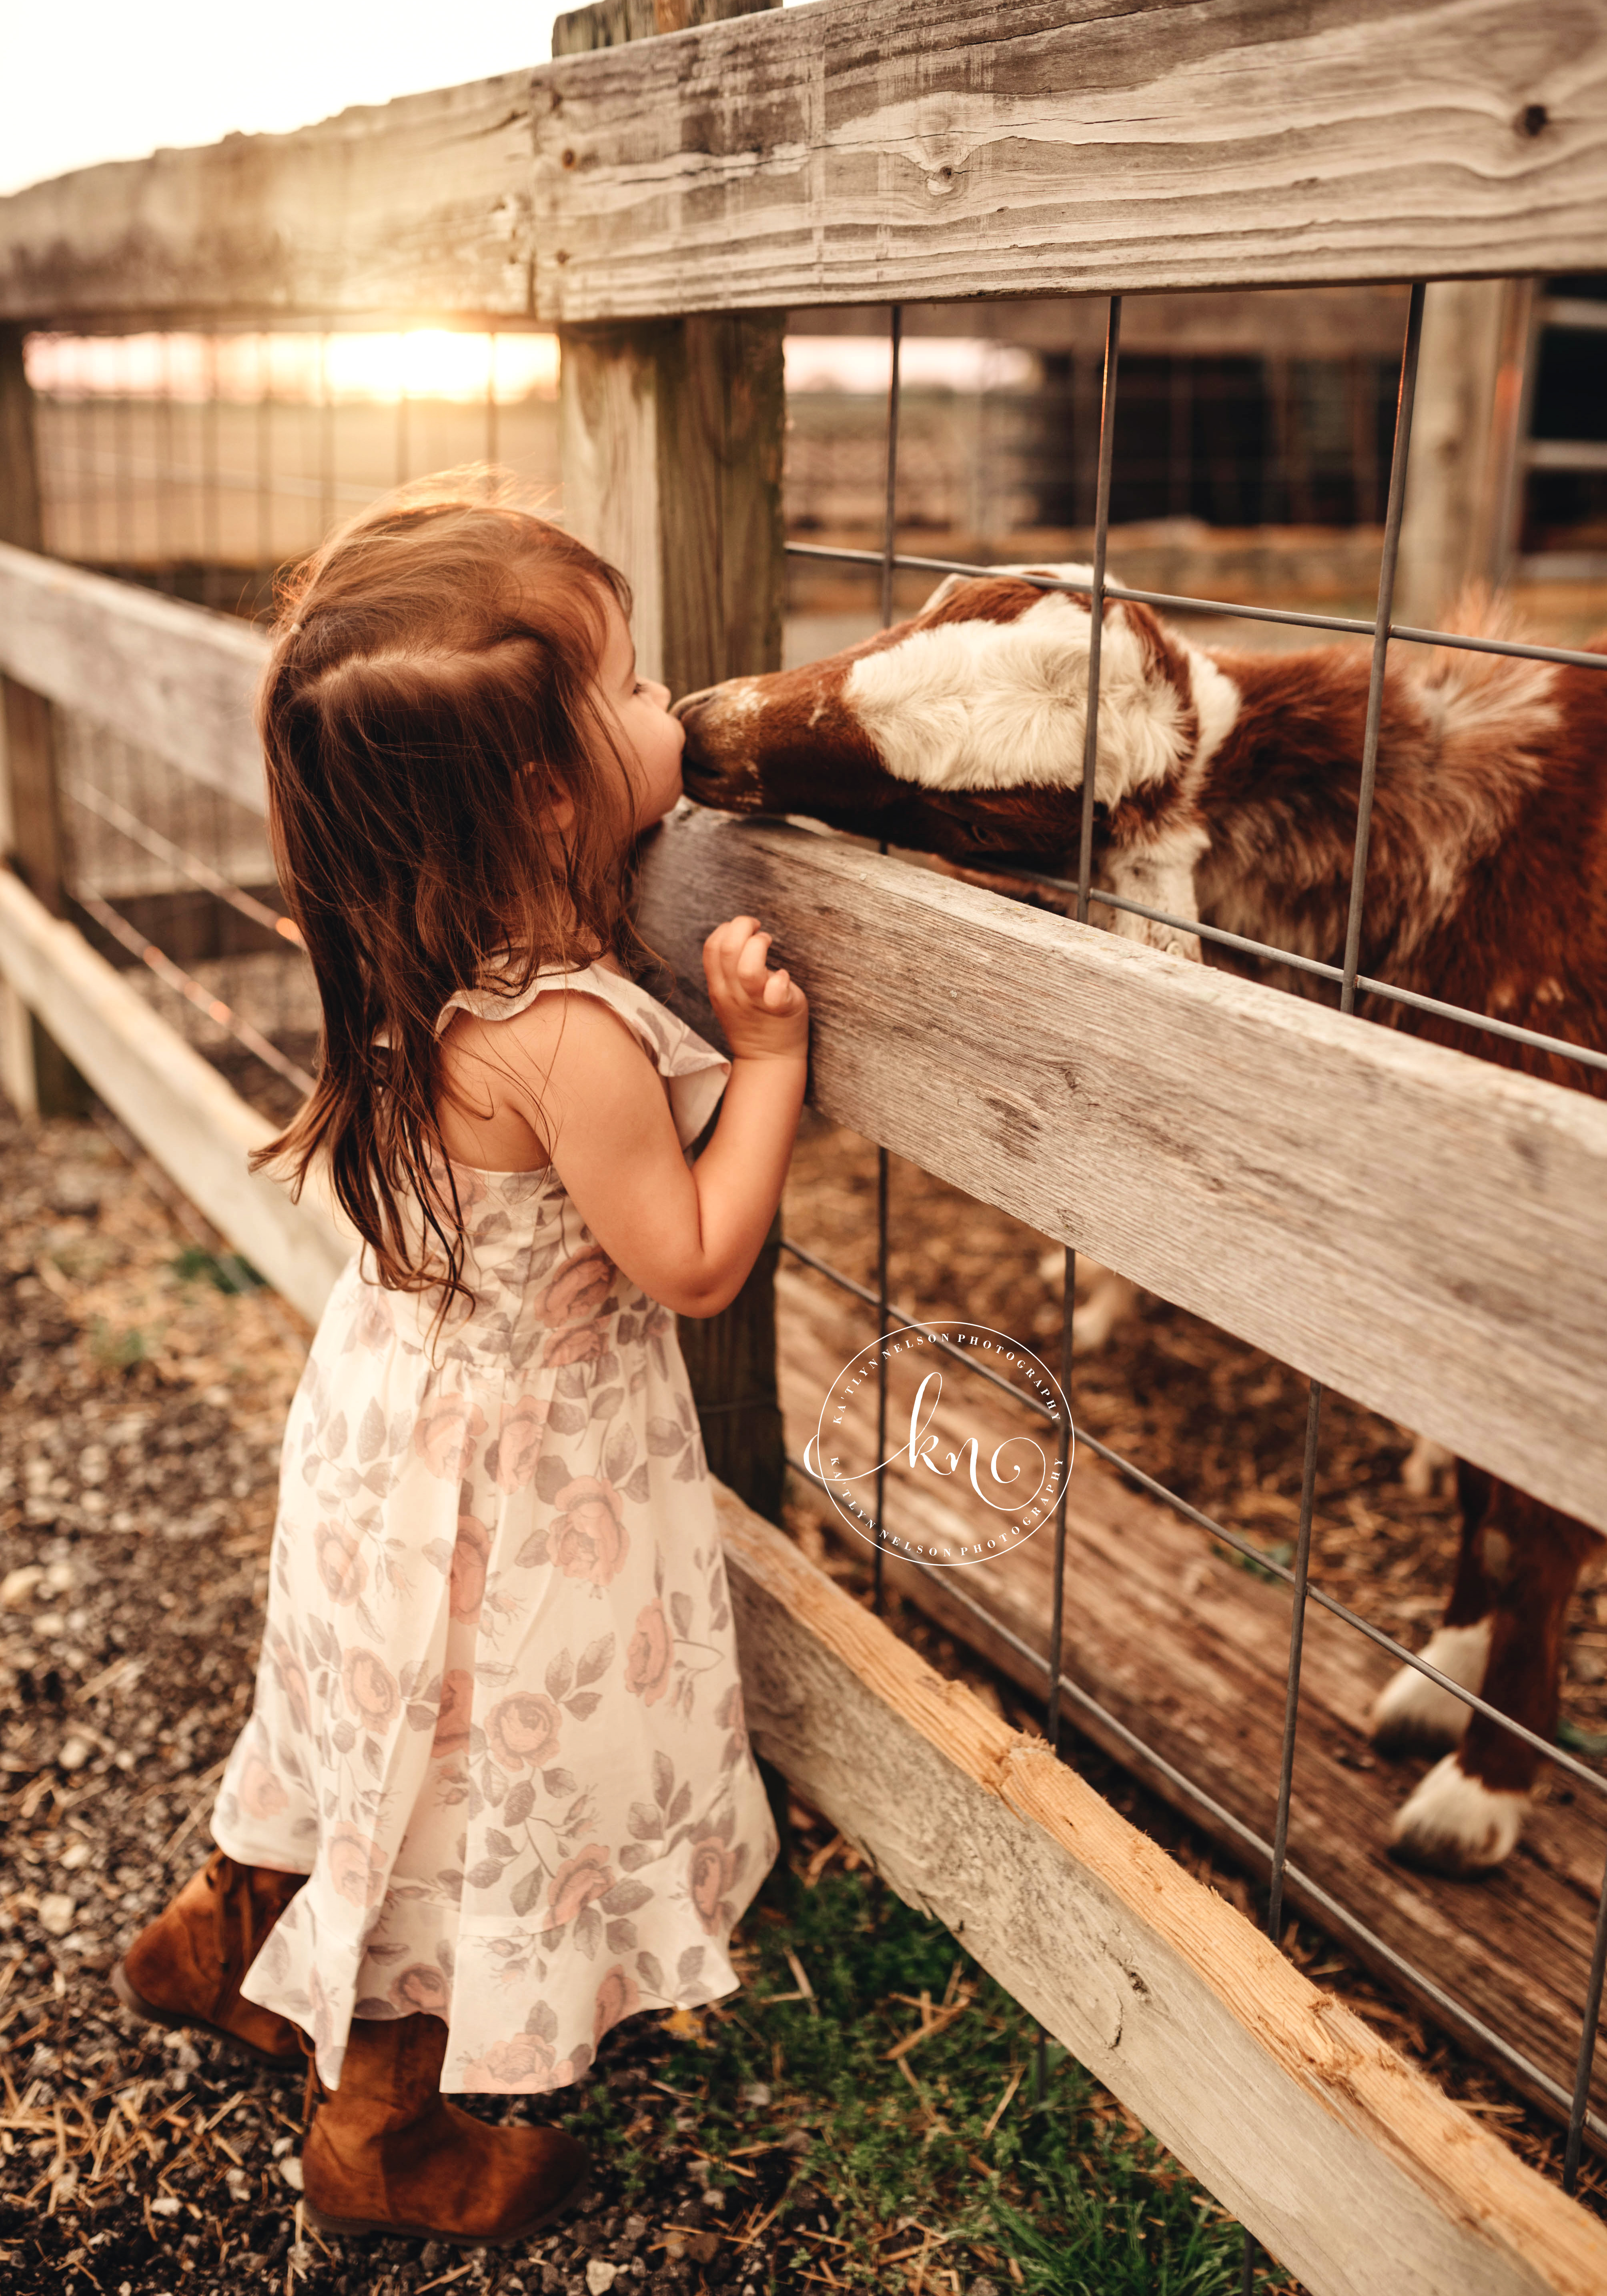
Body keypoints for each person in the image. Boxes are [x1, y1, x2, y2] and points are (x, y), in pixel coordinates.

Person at [110, 473, 808, 2246]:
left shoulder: (397, 940)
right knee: (459, 1774)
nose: (676, 708)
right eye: (638, 689)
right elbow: (696, 1258)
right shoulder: (564, 1033)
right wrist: (768, 1064)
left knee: (349, 1708)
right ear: (549, 796)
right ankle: (383, 2136)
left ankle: (225, 1939)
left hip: (374, 1434)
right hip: (513, 1491)